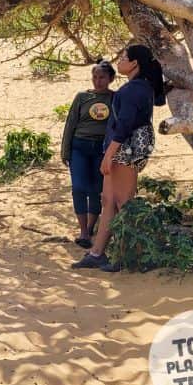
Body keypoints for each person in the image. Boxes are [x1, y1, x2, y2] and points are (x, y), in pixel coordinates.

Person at [73, 45, 166, 271]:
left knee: (124, 202)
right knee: (109, 200)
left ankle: (136, 255)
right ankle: (98, 253)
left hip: (124, 150)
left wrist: (109, 154)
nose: (119, 60)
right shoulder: (139, 87)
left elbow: (124, 124)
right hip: (122, 149)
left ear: (135, 63)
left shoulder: (135, 89)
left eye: (124, 57)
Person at [60, 60, 116, 249]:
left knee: (95, 189)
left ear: (110, 78)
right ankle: (82, 230)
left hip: (101, 149)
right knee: (78, 187)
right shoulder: (82, 97)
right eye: (95, 77)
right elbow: (70, 124)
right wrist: (65, 150)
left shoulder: (115, 98)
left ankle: (90, 229)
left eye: (102, 77)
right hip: (80, 146)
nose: (97, 81)